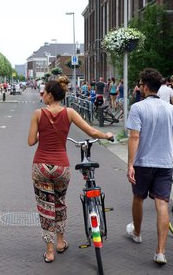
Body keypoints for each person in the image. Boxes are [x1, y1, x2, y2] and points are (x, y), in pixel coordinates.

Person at [27, 75, 114, 263]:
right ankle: (60, 242)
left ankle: (49, 252)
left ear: (50, 95)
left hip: (41, 166)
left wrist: (45, 134)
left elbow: (31, 141)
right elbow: (91, 131)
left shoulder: (38, 114)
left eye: (44, 93)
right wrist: (106, 135)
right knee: (59, 203)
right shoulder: (69, 113)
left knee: (45, 207)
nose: (42, 95)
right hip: (61, 167)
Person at [125, 68, 173, 265]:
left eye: (140, 84)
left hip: (143, 163)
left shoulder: (138, 108)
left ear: (145, 86)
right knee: (162, 204)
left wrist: (130, 164)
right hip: (164, 163)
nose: (139, 87)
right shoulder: (170, 109)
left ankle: (138, 232)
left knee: (138, 197)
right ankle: (160, 252)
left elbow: (134, 136)